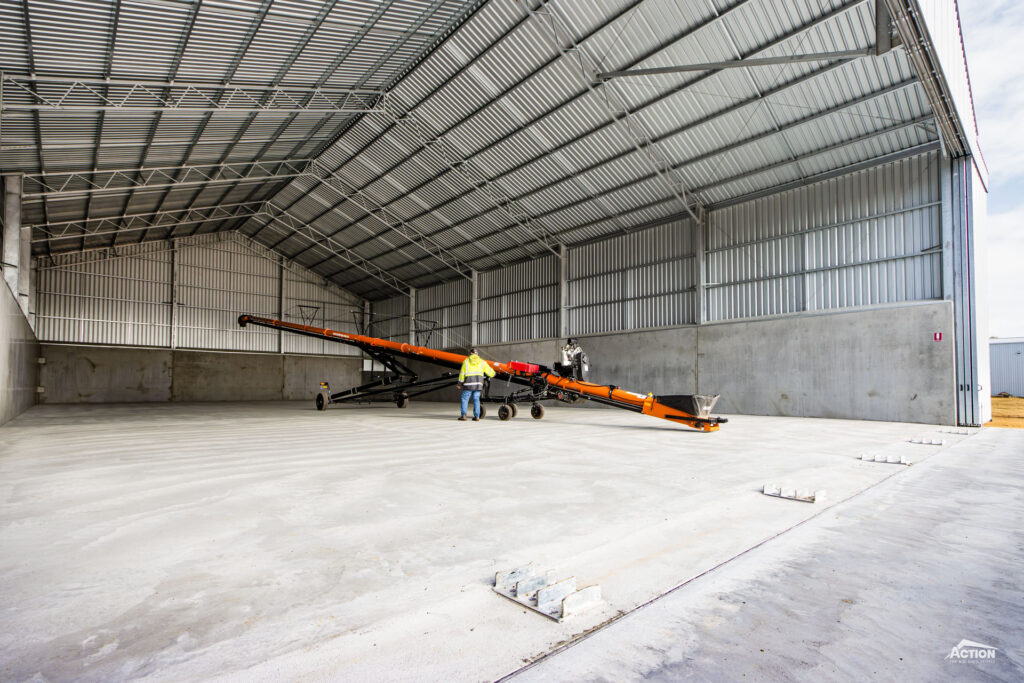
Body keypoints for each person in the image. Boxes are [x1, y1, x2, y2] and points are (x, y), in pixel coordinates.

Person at [458, 347, 495, 421]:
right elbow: (490, 372)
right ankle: (477, 416)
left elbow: (462, 374)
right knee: (476, 400)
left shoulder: (466, 361)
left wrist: (460, 383)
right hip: (478, 384)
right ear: (477, 354)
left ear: (470, 353)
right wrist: (494, 374)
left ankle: (464, 416)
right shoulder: (482, 362)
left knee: (465, 399)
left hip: (468, 384)